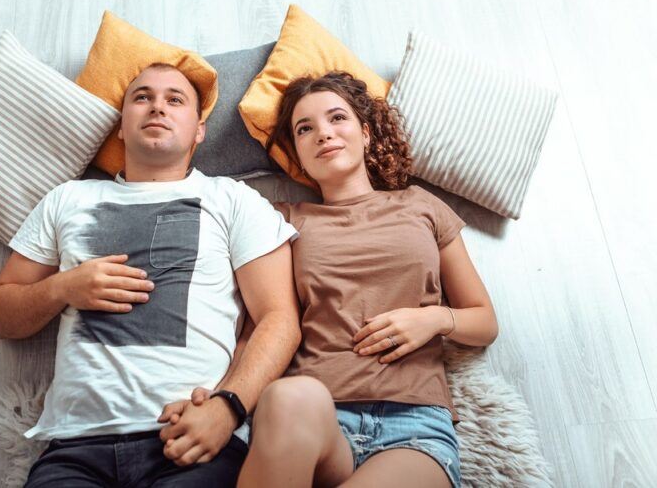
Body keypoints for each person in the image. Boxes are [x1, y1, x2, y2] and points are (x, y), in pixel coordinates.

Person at [171, 71, 498, 487]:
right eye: (305, 129)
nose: (324, 134)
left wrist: (434, 319)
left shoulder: (420, 205)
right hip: (312, 420)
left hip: (413, 427)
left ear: (365, 134)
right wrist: (221, 398)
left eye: (337, 119)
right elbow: (261, 325)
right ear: (298, 156)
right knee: (290, 395)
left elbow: (484, 321)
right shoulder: (280, 219)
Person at [0, 62, 301, 487]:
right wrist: (63, 287)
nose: (157, 107)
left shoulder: (233, 200)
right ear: (120, 127)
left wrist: (227, 409)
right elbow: (1, 316)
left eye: (175, 100)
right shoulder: (68, 198)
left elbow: (280, 320)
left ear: (199, 131)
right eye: (142, 97)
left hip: (189, 438)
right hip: (75, 449)